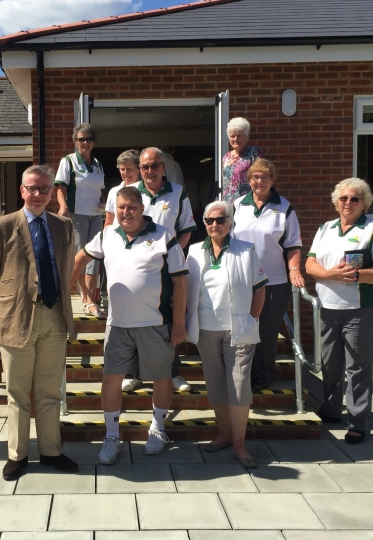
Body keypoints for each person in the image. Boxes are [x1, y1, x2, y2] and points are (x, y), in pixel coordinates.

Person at [73, 186, 188, 464]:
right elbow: (80, 258)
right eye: (121, 207)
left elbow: (180, 281)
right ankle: (111, 435)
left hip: (156, 323)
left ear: (141, 209)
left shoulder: (164, 235)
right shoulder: (107, 234)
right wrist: (71, 291)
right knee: (111, 379)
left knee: (161, 377)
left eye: (131, 207)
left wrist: (179, 324)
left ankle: (158, 428)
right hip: (118, 324)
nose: (126, 212)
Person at [0, 164, 79, 480]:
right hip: (16, 318)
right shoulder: (3, 225)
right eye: (32, 188)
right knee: (18, 393)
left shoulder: (64, 226)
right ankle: (17, 455)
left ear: (52, 192)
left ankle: (51, 450)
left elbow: (64, 270)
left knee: (50, 391)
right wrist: (6, 299)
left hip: (55, 317)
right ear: (22, 191)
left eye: (44, 189)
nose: (38, 194)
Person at [305, 178, 373, 445]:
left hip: (360, 309)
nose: (348, 203)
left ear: (364, 203)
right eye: (343, 198)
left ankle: (357, 422)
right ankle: (332, 409)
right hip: (327, 308)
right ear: (336, 203)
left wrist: (356, 276)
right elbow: (310, 264)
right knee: (330, 364)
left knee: (357, 366)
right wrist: (329, 274)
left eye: (354, 199)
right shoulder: (325, 229)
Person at [186, 201, 267, 468]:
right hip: (205, 329)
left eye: (220, 220)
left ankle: (239, 444)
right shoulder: (195, 251)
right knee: (216, 385)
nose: (214, 225)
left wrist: (251, 318)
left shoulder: (247, 250)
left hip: (238, 330)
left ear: (230, 222)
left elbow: (259, 289)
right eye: (209, 220)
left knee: (240, 386)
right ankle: (224, 433)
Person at [121, 147, 196, 393]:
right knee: (132, 317)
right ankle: (133, 373)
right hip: (136, 267)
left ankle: (172, 373)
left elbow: (186, 229)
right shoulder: (131, 194)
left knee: (167, 319)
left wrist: (173, 253)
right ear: (139, 169)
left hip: (167, 268)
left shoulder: (178, 193)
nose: (149, 171)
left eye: (154, 165)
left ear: (163, 167)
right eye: (145, 167)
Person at [232, 159, 304, 389]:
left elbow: (293, 245)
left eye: (264, 177)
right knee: (241, 325)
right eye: (255, 177)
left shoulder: (284, 207)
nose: (259, 181)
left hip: (274, 280)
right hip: (241, 279)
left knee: (267, 328)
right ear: (248, 180)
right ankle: (242, 374)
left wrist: (294, 269)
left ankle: (263, 375)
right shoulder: (236, 205)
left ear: (273, 179)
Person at [55, 123, 105, 318]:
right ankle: (88, 300)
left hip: (96, 215)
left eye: (89, 139)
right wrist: (63, 206)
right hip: (77, 214)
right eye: (81, 139)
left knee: (95, 256)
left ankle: (91, 299)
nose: (85, 142)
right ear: (75, 142)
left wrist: (102, 201)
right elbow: (60, 188)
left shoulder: (98, 164)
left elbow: (99, 190)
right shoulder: (68, 161)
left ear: (93, 142)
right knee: (81, 255)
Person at [221, 117, 263, 203]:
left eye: (239, 136)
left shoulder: (254, 153)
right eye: (232, 136)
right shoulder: (226, 157)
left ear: (247, 137)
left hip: (246, 203)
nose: (235, 139)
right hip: (227, 205)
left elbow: (261, 179)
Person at [104, 149, 140, 228]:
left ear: (138, 169)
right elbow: (108, 222)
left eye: (129, 169)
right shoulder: (113, 191)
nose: (125, 173)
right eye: (122, 169)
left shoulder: (146, 190)